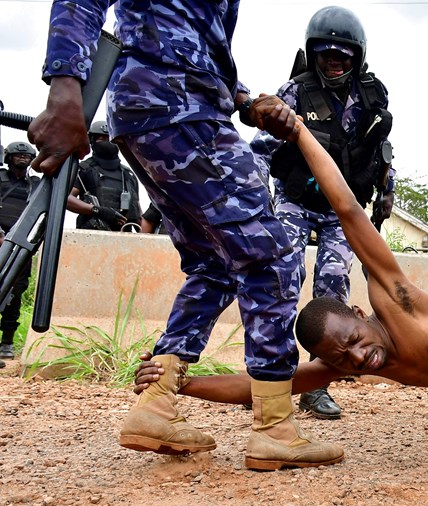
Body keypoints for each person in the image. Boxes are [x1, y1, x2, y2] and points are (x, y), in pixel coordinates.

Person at [29, 0, 342, 471]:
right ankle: (274, 428)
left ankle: (155, 405)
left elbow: (196, 40)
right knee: (274, 256)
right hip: (177, 108)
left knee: (215, 263)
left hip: (158, 108)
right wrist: (65, 89)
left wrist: (243, 100)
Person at [134, 122, 428, 406]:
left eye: (354, 339)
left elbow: (349, 210)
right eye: (342, 358)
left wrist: (299, 131)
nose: (358, 358)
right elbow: (263, 389)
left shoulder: (398, 306)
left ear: (360, 314)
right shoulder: (343, 362)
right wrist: (180, 384)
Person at [251, 6, 395, 422]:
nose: (334, 63)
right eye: (326, 55)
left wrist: (387, 189)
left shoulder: (373, 93)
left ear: (357, 58)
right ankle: (274, 379)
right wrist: (257, 201)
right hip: (296, 201)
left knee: (332, 294)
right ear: (313, 54)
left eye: (343, 57)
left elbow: (383, 148)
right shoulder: (293, 92)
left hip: (341, 210)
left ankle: (317, 388)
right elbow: (261, 149)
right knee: (282, 281)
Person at [0, 141, 41, 361]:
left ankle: (7, 341)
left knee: (15, 293)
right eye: (17, 155)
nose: (22, 158)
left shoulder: (36, 184)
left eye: (26, 156)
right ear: (8, 158)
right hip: (0, 239)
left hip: (21, 245)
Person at [68, 120, 141, 232]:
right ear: (92, 141)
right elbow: (66, 199)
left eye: (110, 139)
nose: (107, 142)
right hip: (91, 236)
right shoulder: (84, 169)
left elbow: (137, 213)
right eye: (101, 138)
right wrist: (98, 210)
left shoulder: (128, 174)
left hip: (125, 238)